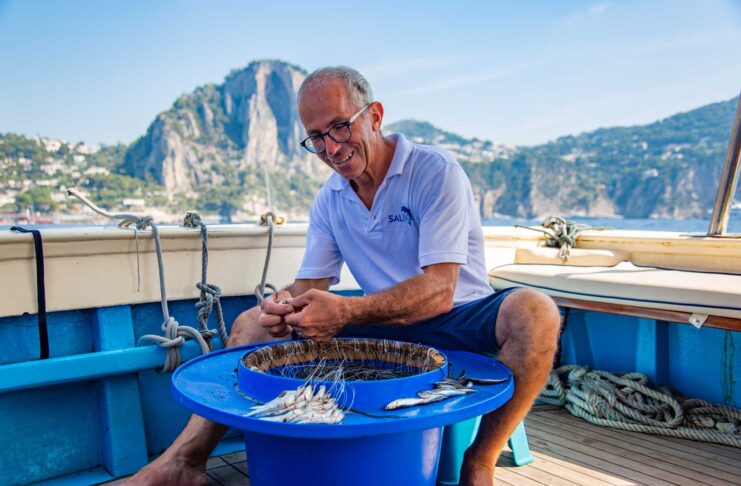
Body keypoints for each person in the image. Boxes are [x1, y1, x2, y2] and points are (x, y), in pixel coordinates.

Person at [128, 66, 561, 486]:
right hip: (387, 325)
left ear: (374, 116)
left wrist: (347, 311)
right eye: (316, 137)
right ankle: (186, 462)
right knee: (249, 325)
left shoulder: (434, 172)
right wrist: (284, 304)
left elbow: (439, 291)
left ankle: (479, 460)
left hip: (458, 317)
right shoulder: (329, 199)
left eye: (339, 127)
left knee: (535, 312)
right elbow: (311, 286)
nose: (331, 149)